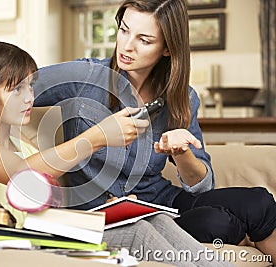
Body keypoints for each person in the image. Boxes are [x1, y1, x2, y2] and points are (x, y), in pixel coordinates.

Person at [0, 41, 230, 266]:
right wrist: (97, 137)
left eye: (30, 86)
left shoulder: (23, 145)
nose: (29, 97)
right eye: (15, 89)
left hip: (44, 228)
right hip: (7, 238)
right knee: (138, 232)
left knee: (153, 220)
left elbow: (48, 202)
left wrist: (116, 210)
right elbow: (21, 173)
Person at [33, 0, 276, 262]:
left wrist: (182, 153)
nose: (126, 45)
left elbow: (202, 187)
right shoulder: (84, 76)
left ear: (168, 48)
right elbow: (11, 90)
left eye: (144, 40)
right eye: (124, 30)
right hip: (101, 211)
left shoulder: (182, 98)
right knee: (218, 224)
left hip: (159, 203)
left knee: (259, 202)